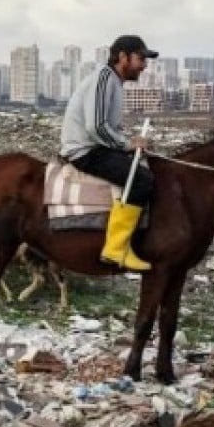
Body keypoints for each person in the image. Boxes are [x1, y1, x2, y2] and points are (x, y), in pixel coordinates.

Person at [59, 35, 157, 271]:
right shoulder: (104, 78)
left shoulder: (114, 82)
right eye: (141, 58)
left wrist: (131, 143)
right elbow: (97, 127)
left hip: (97, 146)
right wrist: (127, 145)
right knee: (142, 180)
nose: (144, 65)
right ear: (122, 56)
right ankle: (116, 248)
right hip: (86, 151)